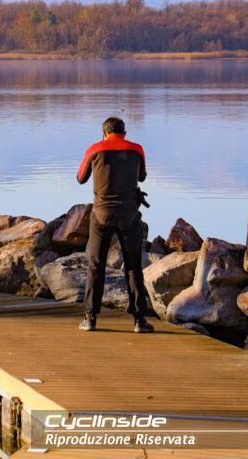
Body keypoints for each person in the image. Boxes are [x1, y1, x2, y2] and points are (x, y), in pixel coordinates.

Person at [76, 116, 154, 333]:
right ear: (124, 133)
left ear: (103, 133)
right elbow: (142, 177)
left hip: (101, 216)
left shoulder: (95, 149)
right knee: (133, 267)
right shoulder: (137, 149)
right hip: (129, 216)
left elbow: (80, 177)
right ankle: (140, 321)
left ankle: (90, 318)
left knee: (96, 266)